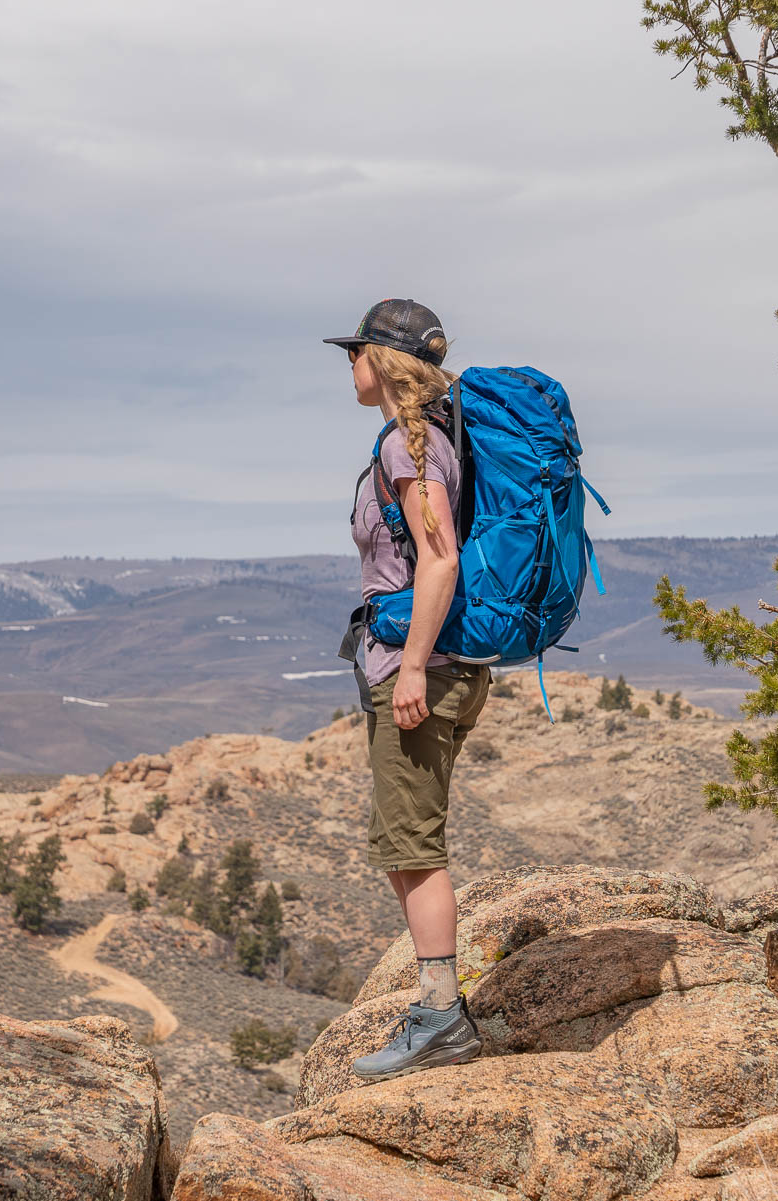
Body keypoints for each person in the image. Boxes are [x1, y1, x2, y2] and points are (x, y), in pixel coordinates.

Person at [323, 299, 490, 1081]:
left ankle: (439, 1017)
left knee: (414, 849)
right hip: (430, 661)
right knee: (404, 842)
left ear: (382, 362)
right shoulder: (426, 441)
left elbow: (441, 559)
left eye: (353, 351)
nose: (346, 364)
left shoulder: (407, 446)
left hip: (420, 666)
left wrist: (414, 666)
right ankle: (437, 1008)